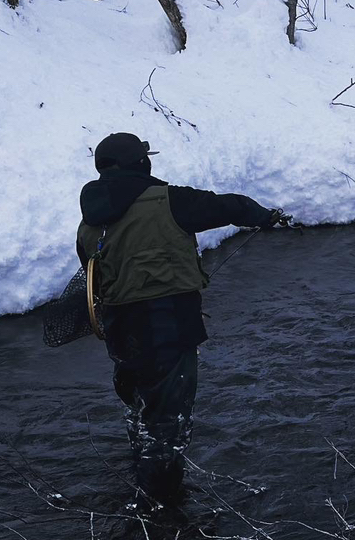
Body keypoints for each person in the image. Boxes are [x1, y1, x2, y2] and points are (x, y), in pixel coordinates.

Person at [77, 132, 287, 503]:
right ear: (141, 163)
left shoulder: (91, 220)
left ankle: (142, 478)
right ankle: (162, 510)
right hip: (168, 329)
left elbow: (93, 275)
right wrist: (264, 217)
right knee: (168, 424)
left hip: (120, 333)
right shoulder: (170, 200)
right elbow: (231, 206)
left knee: (141, 406)